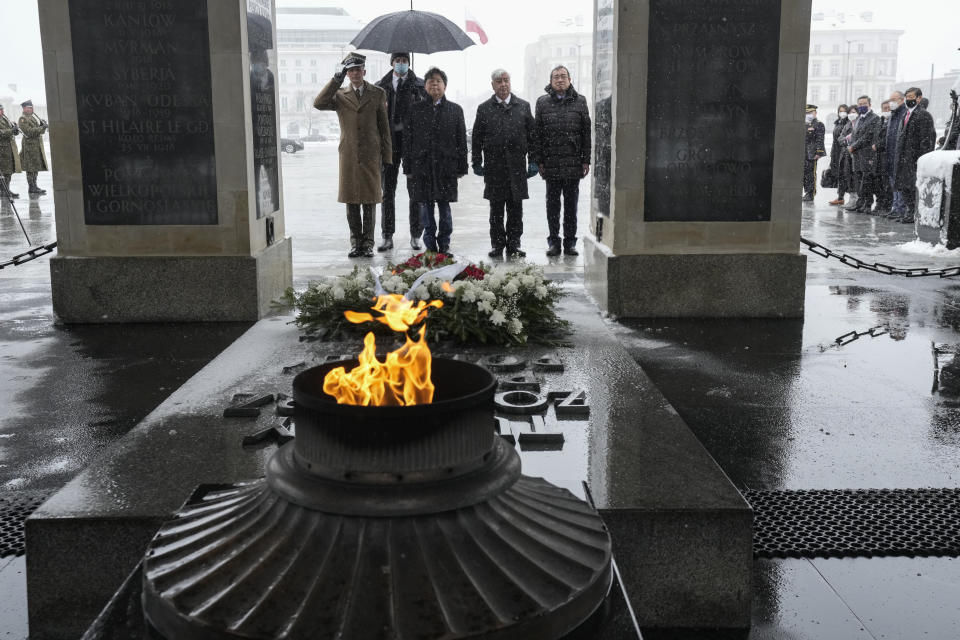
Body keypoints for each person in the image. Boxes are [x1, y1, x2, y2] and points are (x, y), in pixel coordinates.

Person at [314, 53, 392, 258]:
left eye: (358, 69)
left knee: (369, 201)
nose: (355, 73)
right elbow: (319, 103)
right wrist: (335, 80)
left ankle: (368, 243)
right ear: (347, 74)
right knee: (351, 202)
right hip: (348, 155)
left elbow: (384, 127)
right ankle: (355, 242)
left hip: (371, 155)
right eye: (351, 70)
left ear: (364, 71)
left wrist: (387, 157)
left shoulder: (377, 93)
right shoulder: (340, 94)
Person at [471, 68, 537, 259]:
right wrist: (477, 161)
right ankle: (498, 244)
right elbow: (477, 138)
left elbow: (532, 137)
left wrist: (533, 160)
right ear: (492, 85)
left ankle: (514, 244)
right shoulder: (484, 109)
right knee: (496, 210)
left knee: (516, 209)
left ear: (510, 82)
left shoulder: (523, 106)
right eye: (499, 81)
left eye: (506, 80)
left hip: (517, 168)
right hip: (494, 167)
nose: (503, 84)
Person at [402, 67, 467, 255]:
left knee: (445, 208)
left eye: (438, 81)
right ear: (425, 86)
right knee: (426, 208)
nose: (434, 84)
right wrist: (408, 167)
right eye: (430, 81)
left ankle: (444, 243)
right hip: (422, 167)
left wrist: (462, 166)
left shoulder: (455, 110)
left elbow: (461, 141)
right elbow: (408, 141)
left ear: (445, 85)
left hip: (446, 167)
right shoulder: (415, 110)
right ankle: (430, 245)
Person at [533, 65, 591, 256]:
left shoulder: (580, 101)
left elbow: (586, 134)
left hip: (573, 163)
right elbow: (537, 135)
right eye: (556, 77)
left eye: (563, 76)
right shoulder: (542, 103)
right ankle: (554, 242)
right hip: (551, 164)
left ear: (570, 79)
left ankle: (570, 243)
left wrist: (586, 160)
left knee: (571, 206)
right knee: (552, 206)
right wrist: (539, 160)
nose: (560, 80)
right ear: (550, 81)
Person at [374, 52, 428, 251]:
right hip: (388, 143)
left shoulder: (420, 86)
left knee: (415, 192)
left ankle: (416, 234)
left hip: (412, 145)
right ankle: (387, 235)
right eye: (398, 61)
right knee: (387, 192)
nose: (401, 64)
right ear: (392, 63)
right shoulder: (380, 86)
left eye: (405, 61)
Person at [894, 87, 937, 224]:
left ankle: (914, 213)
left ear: (919, 98)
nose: (909, 100)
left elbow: (926, 140)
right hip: (903, 158)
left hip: (914, 159)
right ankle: (909, 211)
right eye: (907, 97)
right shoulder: (906, 114)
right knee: (905, 187)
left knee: (913, 188)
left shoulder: (923, 115)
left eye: (912, 97)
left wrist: (922, 160)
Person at [845, 95, 881, 213]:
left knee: (867, 180)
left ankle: (867, 203)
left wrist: (853, 146)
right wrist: (852, 146)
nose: (862, 106)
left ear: (869, 104)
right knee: (858, 179)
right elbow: (855, 135)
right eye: (860, 104)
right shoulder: (859, 118)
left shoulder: (874, 118)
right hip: (857, 155)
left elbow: (868, 136)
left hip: (867, 154)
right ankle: (860, 202)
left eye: (864, 104)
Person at [883, 90, 907, 219]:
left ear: (902, 100)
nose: (891, 103)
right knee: (893, 183)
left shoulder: (903, 113)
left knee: (899, 184)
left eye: (894, 100)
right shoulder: (893, 114)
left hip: (899, 156)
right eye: (890, 100)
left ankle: (901, 209)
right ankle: (895, 207)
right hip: (891, 154)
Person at [18, 100, 47, 196]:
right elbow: (28, 132)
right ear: (25, 108)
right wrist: (41, 128)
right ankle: (31, 187)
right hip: (29, 147)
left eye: (32, 107)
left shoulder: (33, 118)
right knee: (31, 168)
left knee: (36, 167)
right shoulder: (23, 119)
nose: (32, 109)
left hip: (36, 146)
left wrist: (42, 126)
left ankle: (35, 185)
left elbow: (39, 132)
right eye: (30, 108)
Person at [872, 100, 894, 214]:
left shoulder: (893, 122)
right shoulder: (879, 122)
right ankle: (879, 203)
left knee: (887, 185)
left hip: (886, 157)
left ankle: (887, 206)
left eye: (888, 108)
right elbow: (875, 137)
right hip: (877, 158)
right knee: (877, 183)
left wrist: (878, 145)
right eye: (884, 108)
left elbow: (888, 139)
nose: (886, 110)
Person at [802, 104, 825, 202]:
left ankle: (810, 193)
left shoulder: (818, 124)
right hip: (803, 152)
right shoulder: (804, 123)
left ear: (815, 113)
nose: (808, 114)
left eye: (810, 112)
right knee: (803, 173)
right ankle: (806, 191)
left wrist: (819, 152)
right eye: (807, 113)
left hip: (812, 153)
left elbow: (820, 139)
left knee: (811, 174)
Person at [827, 104, 849, 205]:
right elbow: (834, 140)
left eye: (844, 111)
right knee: (839, 175)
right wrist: (832, 154)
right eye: (840, 111)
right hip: (836, 152)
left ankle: (846, 196)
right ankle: (840, 197)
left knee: (845, 175)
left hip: (844, 151)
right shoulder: (838, 123)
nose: (842, 113)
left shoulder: (848, 123)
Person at [0, 104, 22, 199]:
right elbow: (1, 133)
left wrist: (15, 129)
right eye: (1, 110)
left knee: (9, 171)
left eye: (2, 109)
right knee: (4, 172)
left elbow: (11, 132)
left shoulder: (5, 119)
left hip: (9, 149)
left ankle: (6, 189)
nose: (2, 111)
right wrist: (11, 130)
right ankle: (4, 190)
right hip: (2, 150)